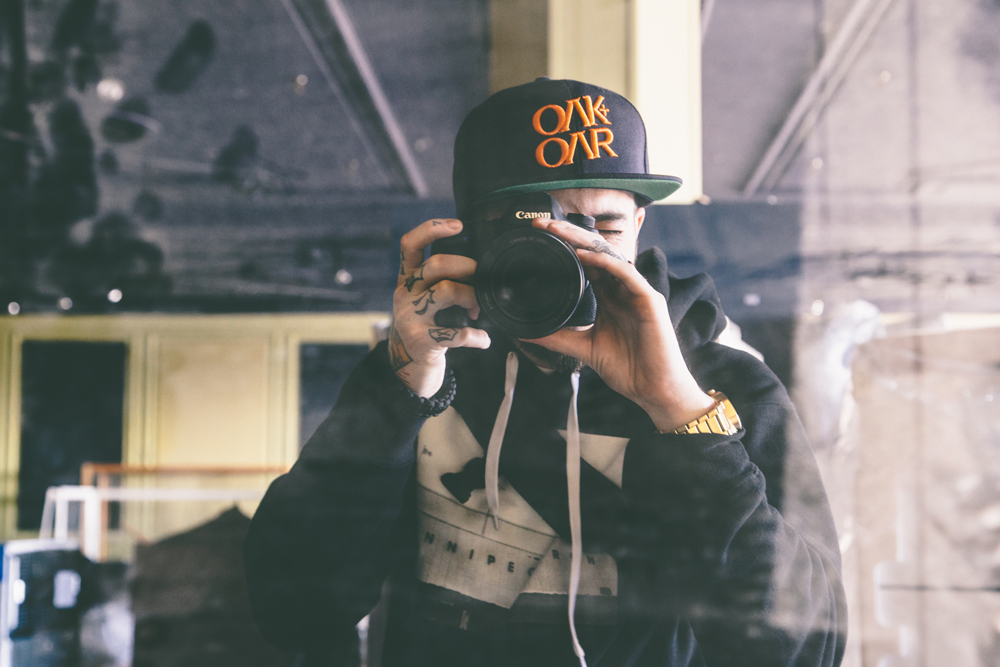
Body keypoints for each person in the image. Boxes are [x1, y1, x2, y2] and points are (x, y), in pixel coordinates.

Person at [244, 78, 847, 667]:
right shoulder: (416, 373)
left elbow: (804, 654)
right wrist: (402, 387)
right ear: (470, 235)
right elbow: (292, 613)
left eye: (604, 229)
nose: (575, 258)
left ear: (640, 226)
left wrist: (676, 408)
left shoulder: (723, 390)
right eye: (535, 230)